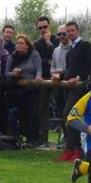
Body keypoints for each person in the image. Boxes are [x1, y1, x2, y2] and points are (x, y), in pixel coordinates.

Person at [57, 21, 91, 162]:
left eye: (72, 30)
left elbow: (90, 65)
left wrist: (78, 78)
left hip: (81, 86)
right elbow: (69, 70)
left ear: (77, 31)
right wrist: (59, 76)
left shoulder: (85, 45)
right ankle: (72, 148)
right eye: (68, 31)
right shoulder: (71, 50)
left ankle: (74, 149)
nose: (70, 33)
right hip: (69, 86)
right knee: (67, 116)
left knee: (69, 114)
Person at [5, 34, 43, 147]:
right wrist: (14, 73)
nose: (18, 45)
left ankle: (34, 138)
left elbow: (39, 68)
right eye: (17, 43)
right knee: (21, 114)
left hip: (33, 89)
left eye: (21, 43)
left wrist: (38, 76)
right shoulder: (12, 56)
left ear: (27, 46)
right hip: (18, 90)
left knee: (33, 113)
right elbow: (6, 73)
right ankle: (26, 137)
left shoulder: (34, 54)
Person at [34, 16, 59, 146]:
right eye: (40, 27)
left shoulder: (57, 39)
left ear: (50, 25)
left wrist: (49, 42)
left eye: (45, 26)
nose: (43, 29)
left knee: (61, 107)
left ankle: (67, 139)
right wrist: (48, 60)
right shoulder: (36, 43)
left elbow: (56, 56)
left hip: (57, 78)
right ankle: (43, 137)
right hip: (43, 78)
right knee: (42, 108)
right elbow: (38, 60)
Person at [50, 24, 72, 132]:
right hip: (57, 85)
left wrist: (62, 73)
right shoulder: (56, 50)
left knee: (69, 112)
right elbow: (52, 66)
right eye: (59, 34)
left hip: (70, 85)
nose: (62, 36)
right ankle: (66, 136)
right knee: (60, 112)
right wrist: (54, 73)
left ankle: (72, 139)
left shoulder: (74, 48)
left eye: (64, 33)